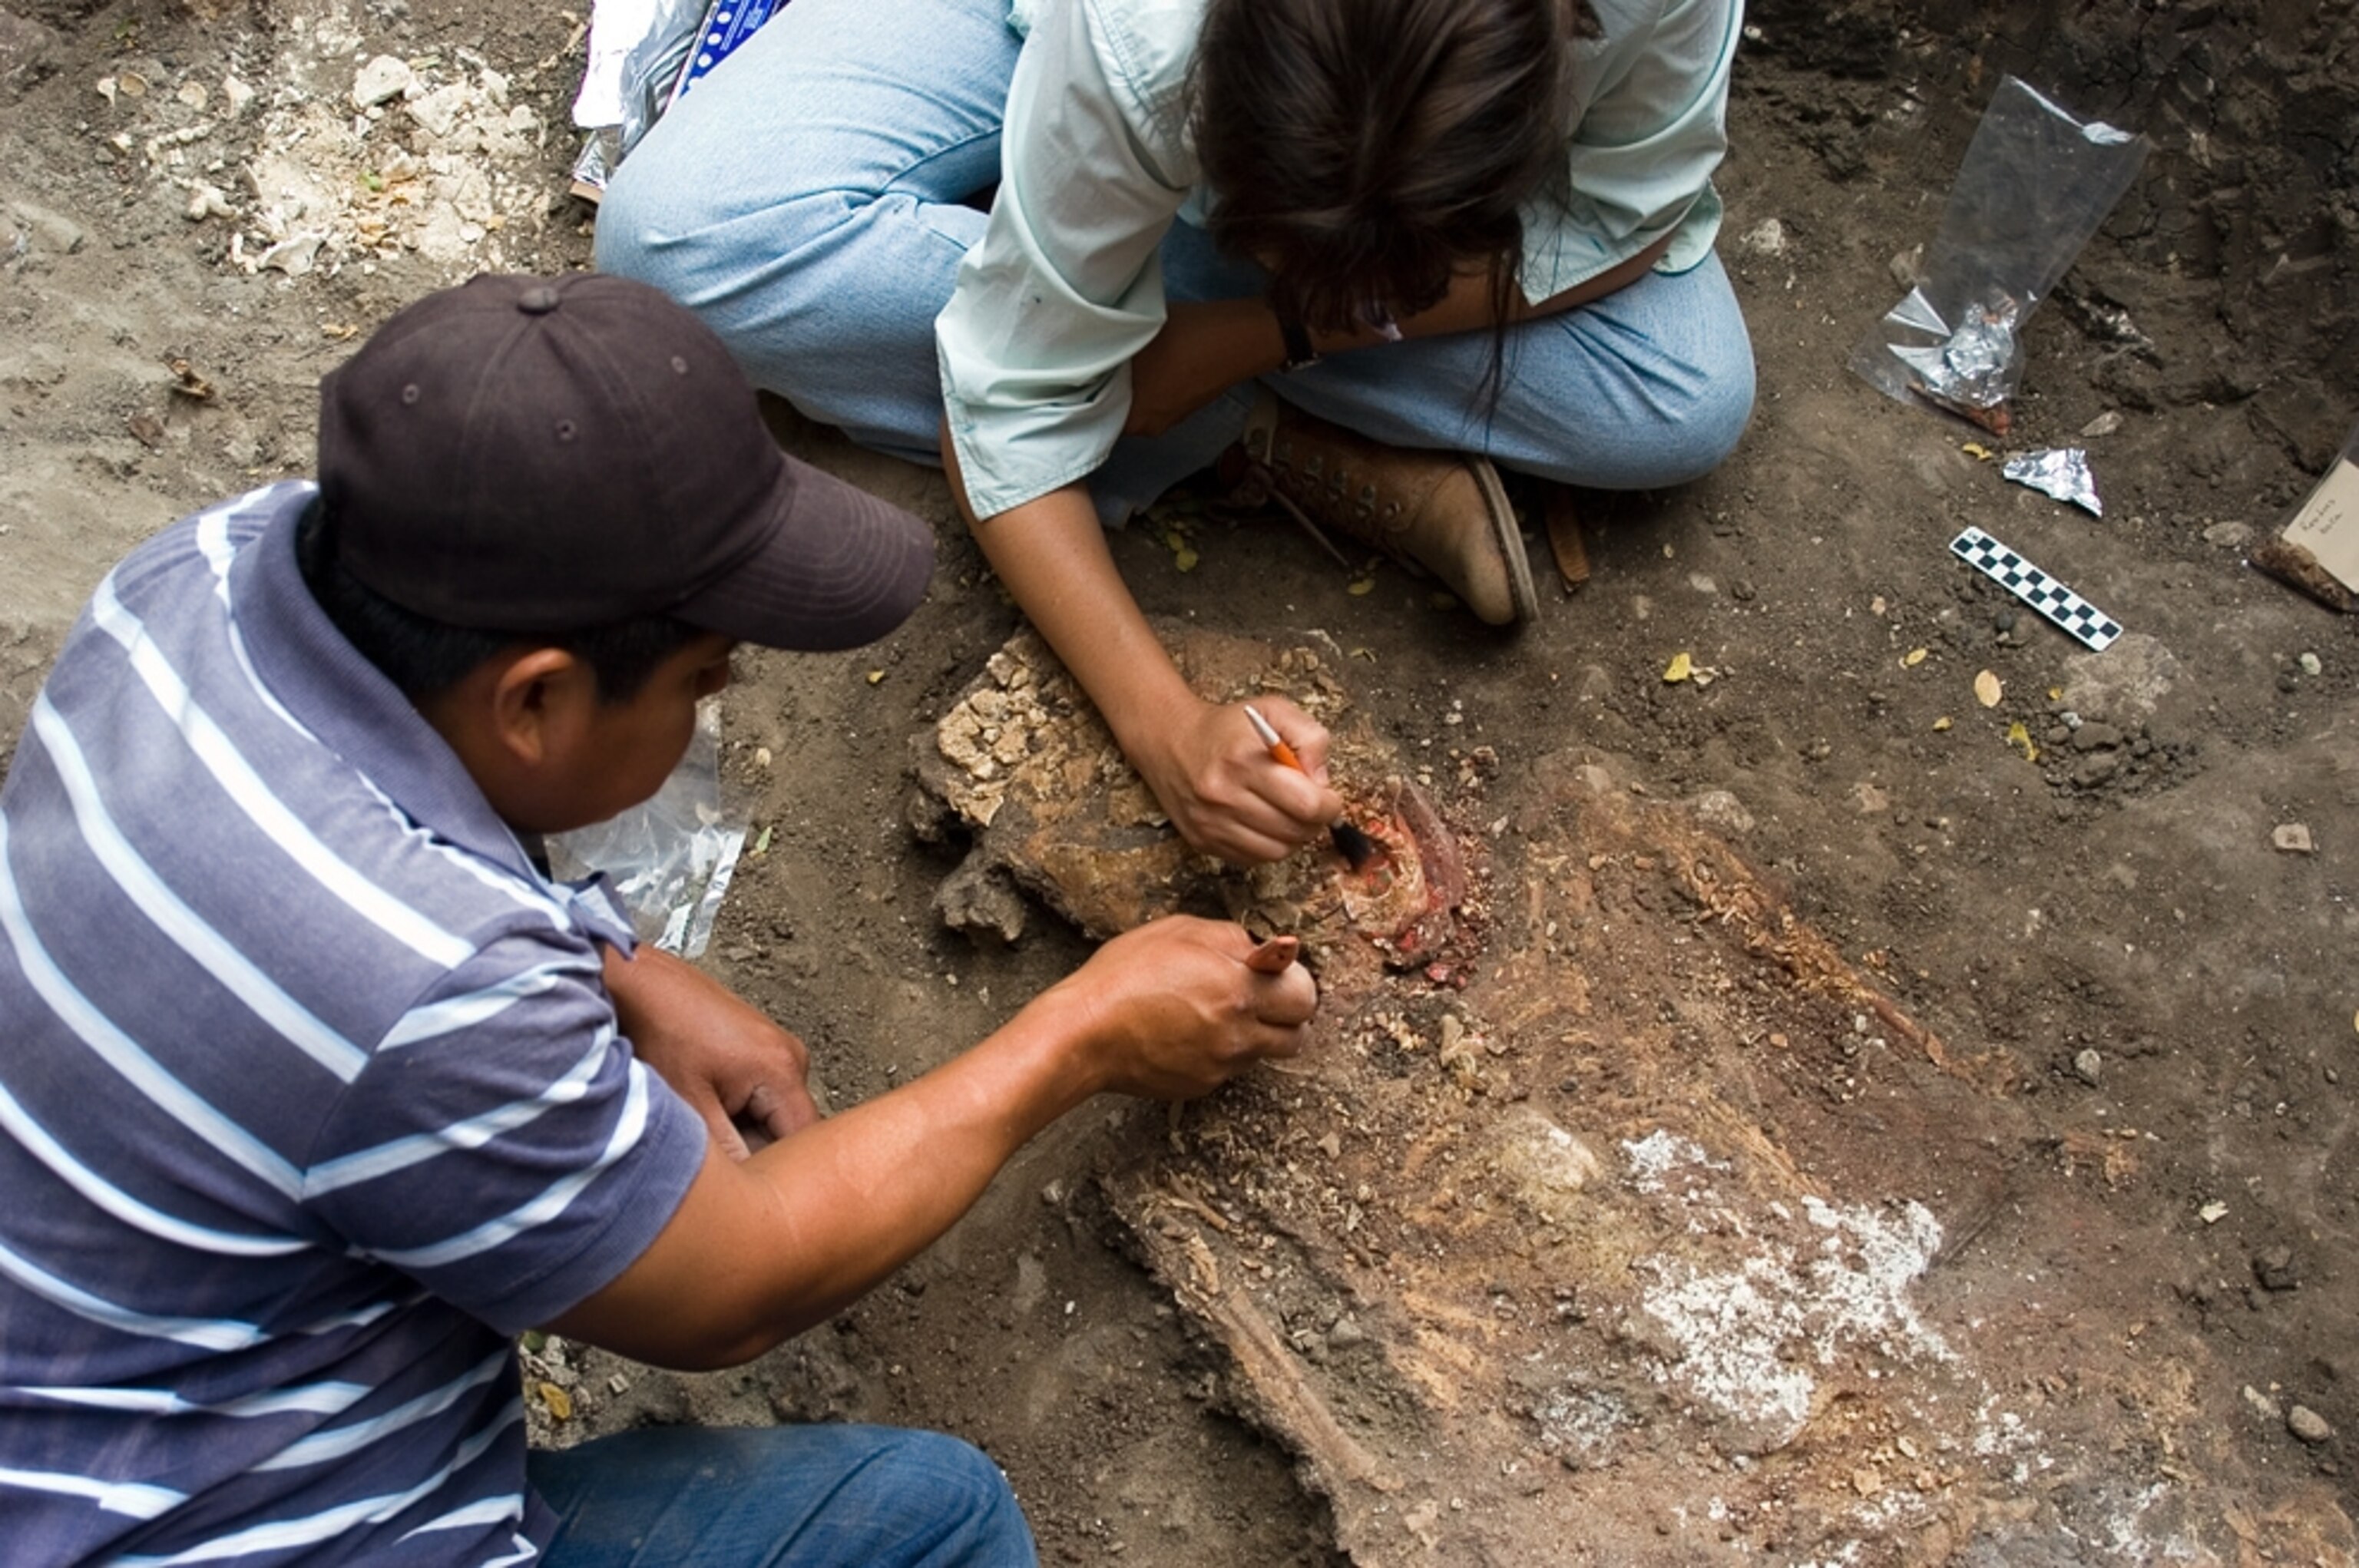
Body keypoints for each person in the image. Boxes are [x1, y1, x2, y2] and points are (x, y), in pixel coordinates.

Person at [0, 272, 1316, 1566]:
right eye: (699, 676)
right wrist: (1082, 1033)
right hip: (225, 1527)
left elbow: (327, 894)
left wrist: (608, 961)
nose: (715, 695)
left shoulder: (198, 580)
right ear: (536, 702)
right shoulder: (434, 987)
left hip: (75, 1421)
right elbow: (731, 1284)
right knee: (928, 1520)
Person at [595, 0, 1755, 867]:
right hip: (1063, 39)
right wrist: (1168, 731)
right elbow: (1007, 400)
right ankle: (1258, 433)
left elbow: (1619, 218)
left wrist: (1268, 333)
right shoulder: (1144, 33)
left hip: (1252, 218)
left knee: (1681, 398)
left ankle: (1172, 370)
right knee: (681, 244)